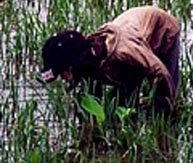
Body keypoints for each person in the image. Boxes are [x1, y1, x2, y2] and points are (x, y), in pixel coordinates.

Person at [40, 6, 180, 113]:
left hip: (162, 32)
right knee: (123, 94)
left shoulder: (123, 52)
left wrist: (163, 104)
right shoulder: (90, 57)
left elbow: (159, 71)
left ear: (70, 66)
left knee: (163, 101)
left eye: (61, 73)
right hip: (133, 30)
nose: (62, 78)